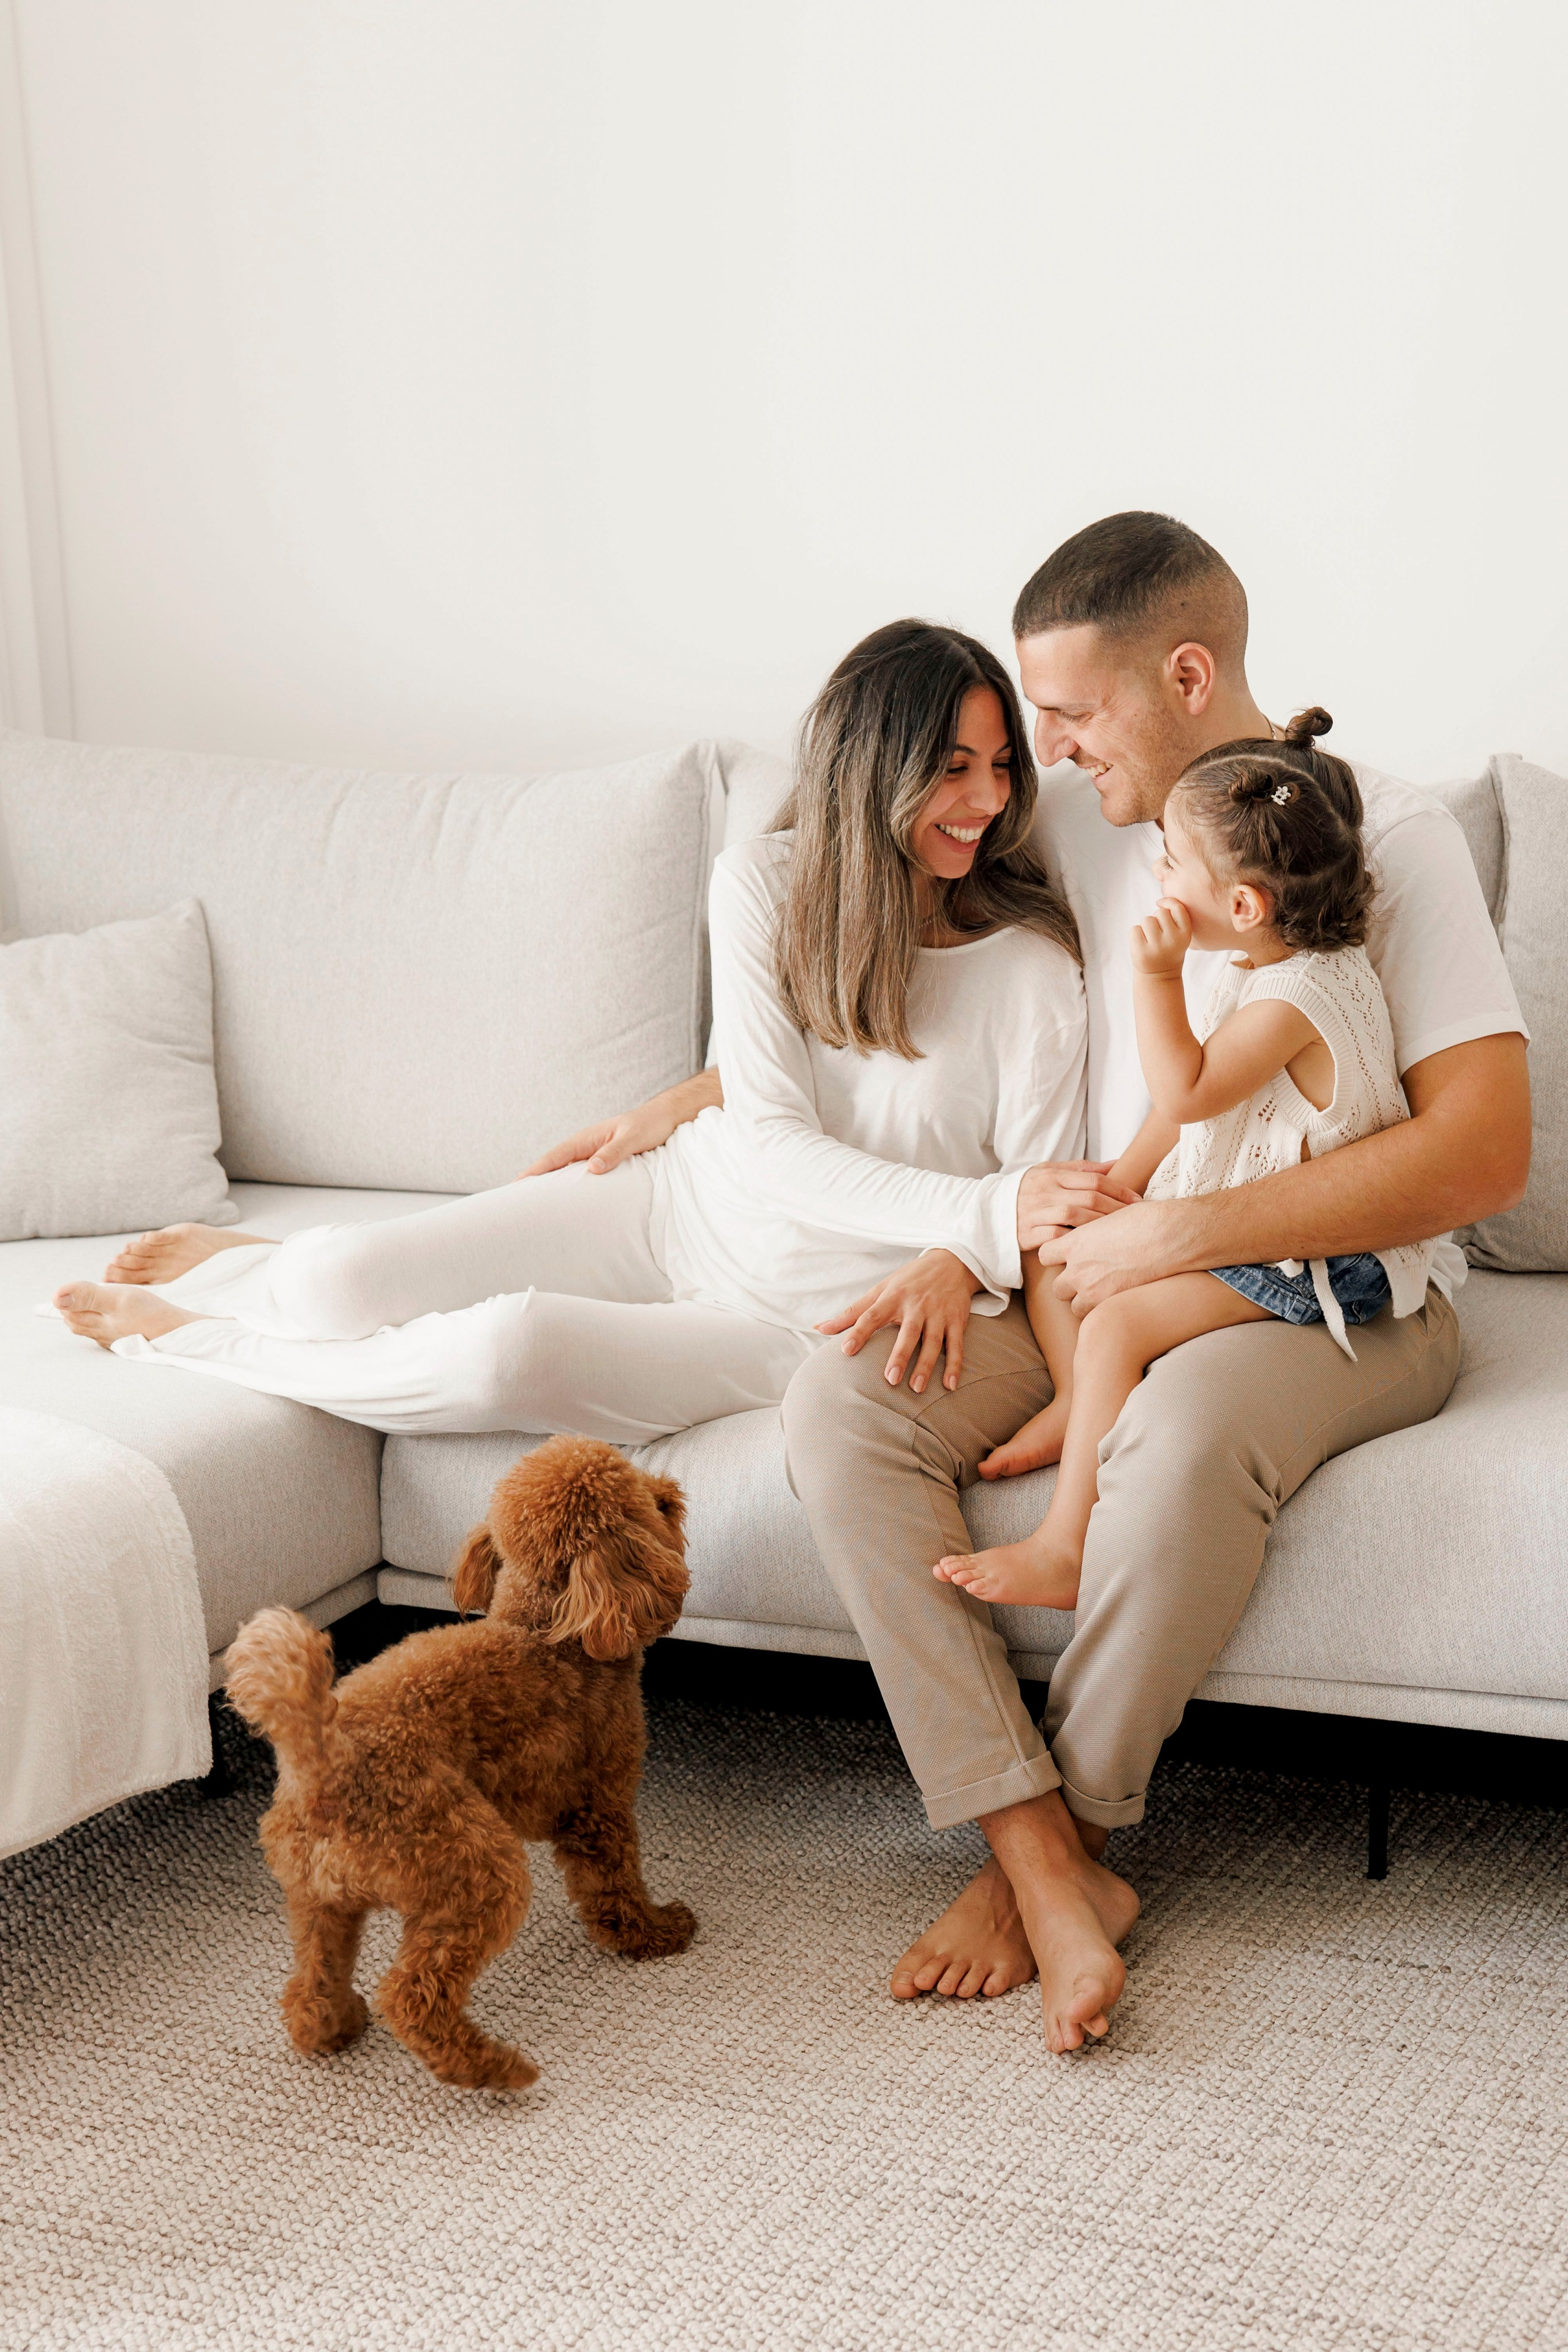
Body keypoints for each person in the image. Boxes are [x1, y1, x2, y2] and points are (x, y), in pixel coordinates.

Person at [523, 513, 1531, 2055]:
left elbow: (1482, 1154)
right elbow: (886, 982)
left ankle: (1083, 1834)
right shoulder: (1069, 818)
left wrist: (1180, 1240)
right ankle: (1034, 1852)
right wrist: (729, 1109)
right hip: (1082, 1251)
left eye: (1064, 716)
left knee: (1177, 1438)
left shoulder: (1376, 833)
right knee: (842, 1409)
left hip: (1337, 1291)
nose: (1033, 755)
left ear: (1185, 676)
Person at [52, 616, 1092, 1493]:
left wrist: (969, 1246)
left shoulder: (1033, 970)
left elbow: (1027, 1198)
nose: (990, 799)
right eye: (954, 769)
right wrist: (979, 1213)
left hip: (799, 1319)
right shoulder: (766, 885)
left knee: (507, 1351)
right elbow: (781, 1129)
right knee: (339, 1277)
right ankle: (266, 1268)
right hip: (677, 1205)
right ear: (874, 771)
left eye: (1002, 767)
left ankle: (197, 1335)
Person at [933, 707, 1439, 1611]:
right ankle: (1080, 1399)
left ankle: (1064, 1545)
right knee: (1062, 1248)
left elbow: (1192, 1089)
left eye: (1169, 862)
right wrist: (1119, 1183)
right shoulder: (1274, 969)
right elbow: (1190, 1113)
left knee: (1119, 1323)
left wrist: (1156, 977)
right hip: (1251, 1225)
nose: (1158, 877)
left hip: (1326, 1260)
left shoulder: (1297, 996)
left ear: (1242, 907)